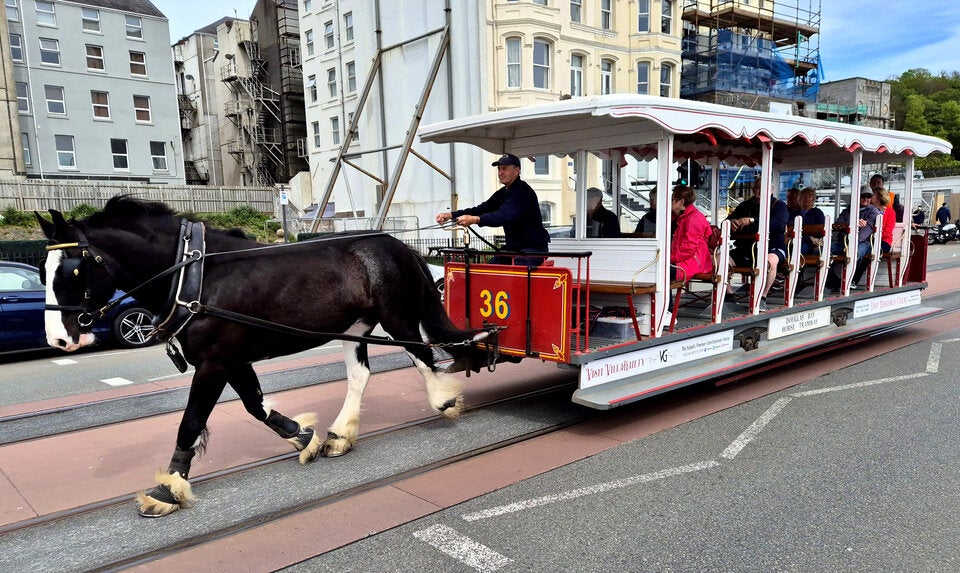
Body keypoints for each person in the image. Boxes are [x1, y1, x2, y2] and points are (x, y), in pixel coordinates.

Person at [435, 153, 550, 266]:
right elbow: (482, 209)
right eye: (499, 169)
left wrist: (475, 220)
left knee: (512, 276)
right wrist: (451, 215)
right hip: (515, 249)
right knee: (488, 268)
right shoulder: (504, 192)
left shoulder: (523, 192)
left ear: (516, 171)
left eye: (504, 169)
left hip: (533, 250)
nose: (500, 173)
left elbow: (503, 215)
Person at [725, 178, 788, 312]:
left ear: (771, 190)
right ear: (754, 190)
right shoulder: (745, 205)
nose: (760, 190)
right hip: (746, 248)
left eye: (764, 187)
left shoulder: (779, 205)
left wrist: (752, 221)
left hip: (772, 247)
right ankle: (729, 295)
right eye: (757, 188)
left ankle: (762, 297)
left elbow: (779, 224)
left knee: (769, 261)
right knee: (720, 259)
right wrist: (733, 222)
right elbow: (726, 222)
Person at [664, 185, 712, 326]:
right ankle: (665, 310)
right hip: (686, 261)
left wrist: (668, 258)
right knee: (661, 271)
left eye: (672, 199)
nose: (669, 202)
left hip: (692, 263)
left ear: (681, 202)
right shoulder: (682, 216)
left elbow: (688, 249)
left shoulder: (694, 218)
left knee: (662, 272)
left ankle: (668, 311)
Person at [826, 191, 880, 291]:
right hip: (844, 242)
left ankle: (850, 281)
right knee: (821, 250)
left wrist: (851, 244)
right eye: (863, 196)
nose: (866, 199)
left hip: (864, 243)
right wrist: (854, 222)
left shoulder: (873, 211)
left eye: (869, 196)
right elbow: (838, 224)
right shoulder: (848, 210)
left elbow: (866, 231)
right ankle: (834, 281)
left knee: (856, 252)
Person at [791, 186, 826, 255]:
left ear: (813, 200)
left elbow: (821, 230)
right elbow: (790, 228)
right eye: (804, 197)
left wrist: (809, 238)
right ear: (799, 199)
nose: (807, 199)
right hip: (794, 241)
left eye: (810, 197)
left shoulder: (817, 213)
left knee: (800, 250)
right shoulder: (793, 214)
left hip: (811, 244)